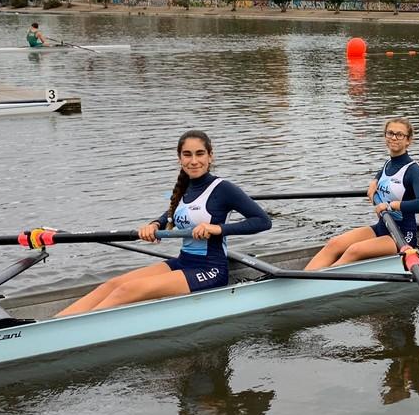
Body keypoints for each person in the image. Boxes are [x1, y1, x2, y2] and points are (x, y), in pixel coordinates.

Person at [57, 130, 271, 316]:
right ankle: (54, 324)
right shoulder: (184, 188)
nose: (193, 161)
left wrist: (217, 228)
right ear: (179, 158)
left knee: (127, 291)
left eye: (200, 154)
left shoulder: (223, 188)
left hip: (210, 269)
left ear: (210, 156)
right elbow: (170, 215)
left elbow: (263, 221)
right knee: (113, 284)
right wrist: (153, 225)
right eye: (187, 155)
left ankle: (72, 331)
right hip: (183, 262)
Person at [304, 117, 419, 270]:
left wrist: (392, 205)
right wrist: (374, 180)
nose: (394, 138)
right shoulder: (388, 163)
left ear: (408, 140)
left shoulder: (413, 170)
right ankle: (301, 281)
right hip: (382, 226)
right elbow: (385, 172)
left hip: (402, 236)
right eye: (390, 133)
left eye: (399, 135)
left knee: (354, 250)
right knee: (334, 243)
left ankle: (314, 284)